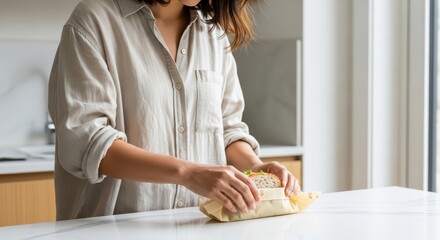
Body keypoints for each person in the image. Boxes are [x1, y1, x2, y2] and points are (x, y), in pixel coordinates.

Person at [48, 0, 301, 220]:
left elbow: (226, 130)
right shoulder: (93, 22)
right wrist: (188, 173)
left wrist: (255, 168)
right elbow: (88, 144)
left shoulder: (214, 36)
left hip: (196, 226)